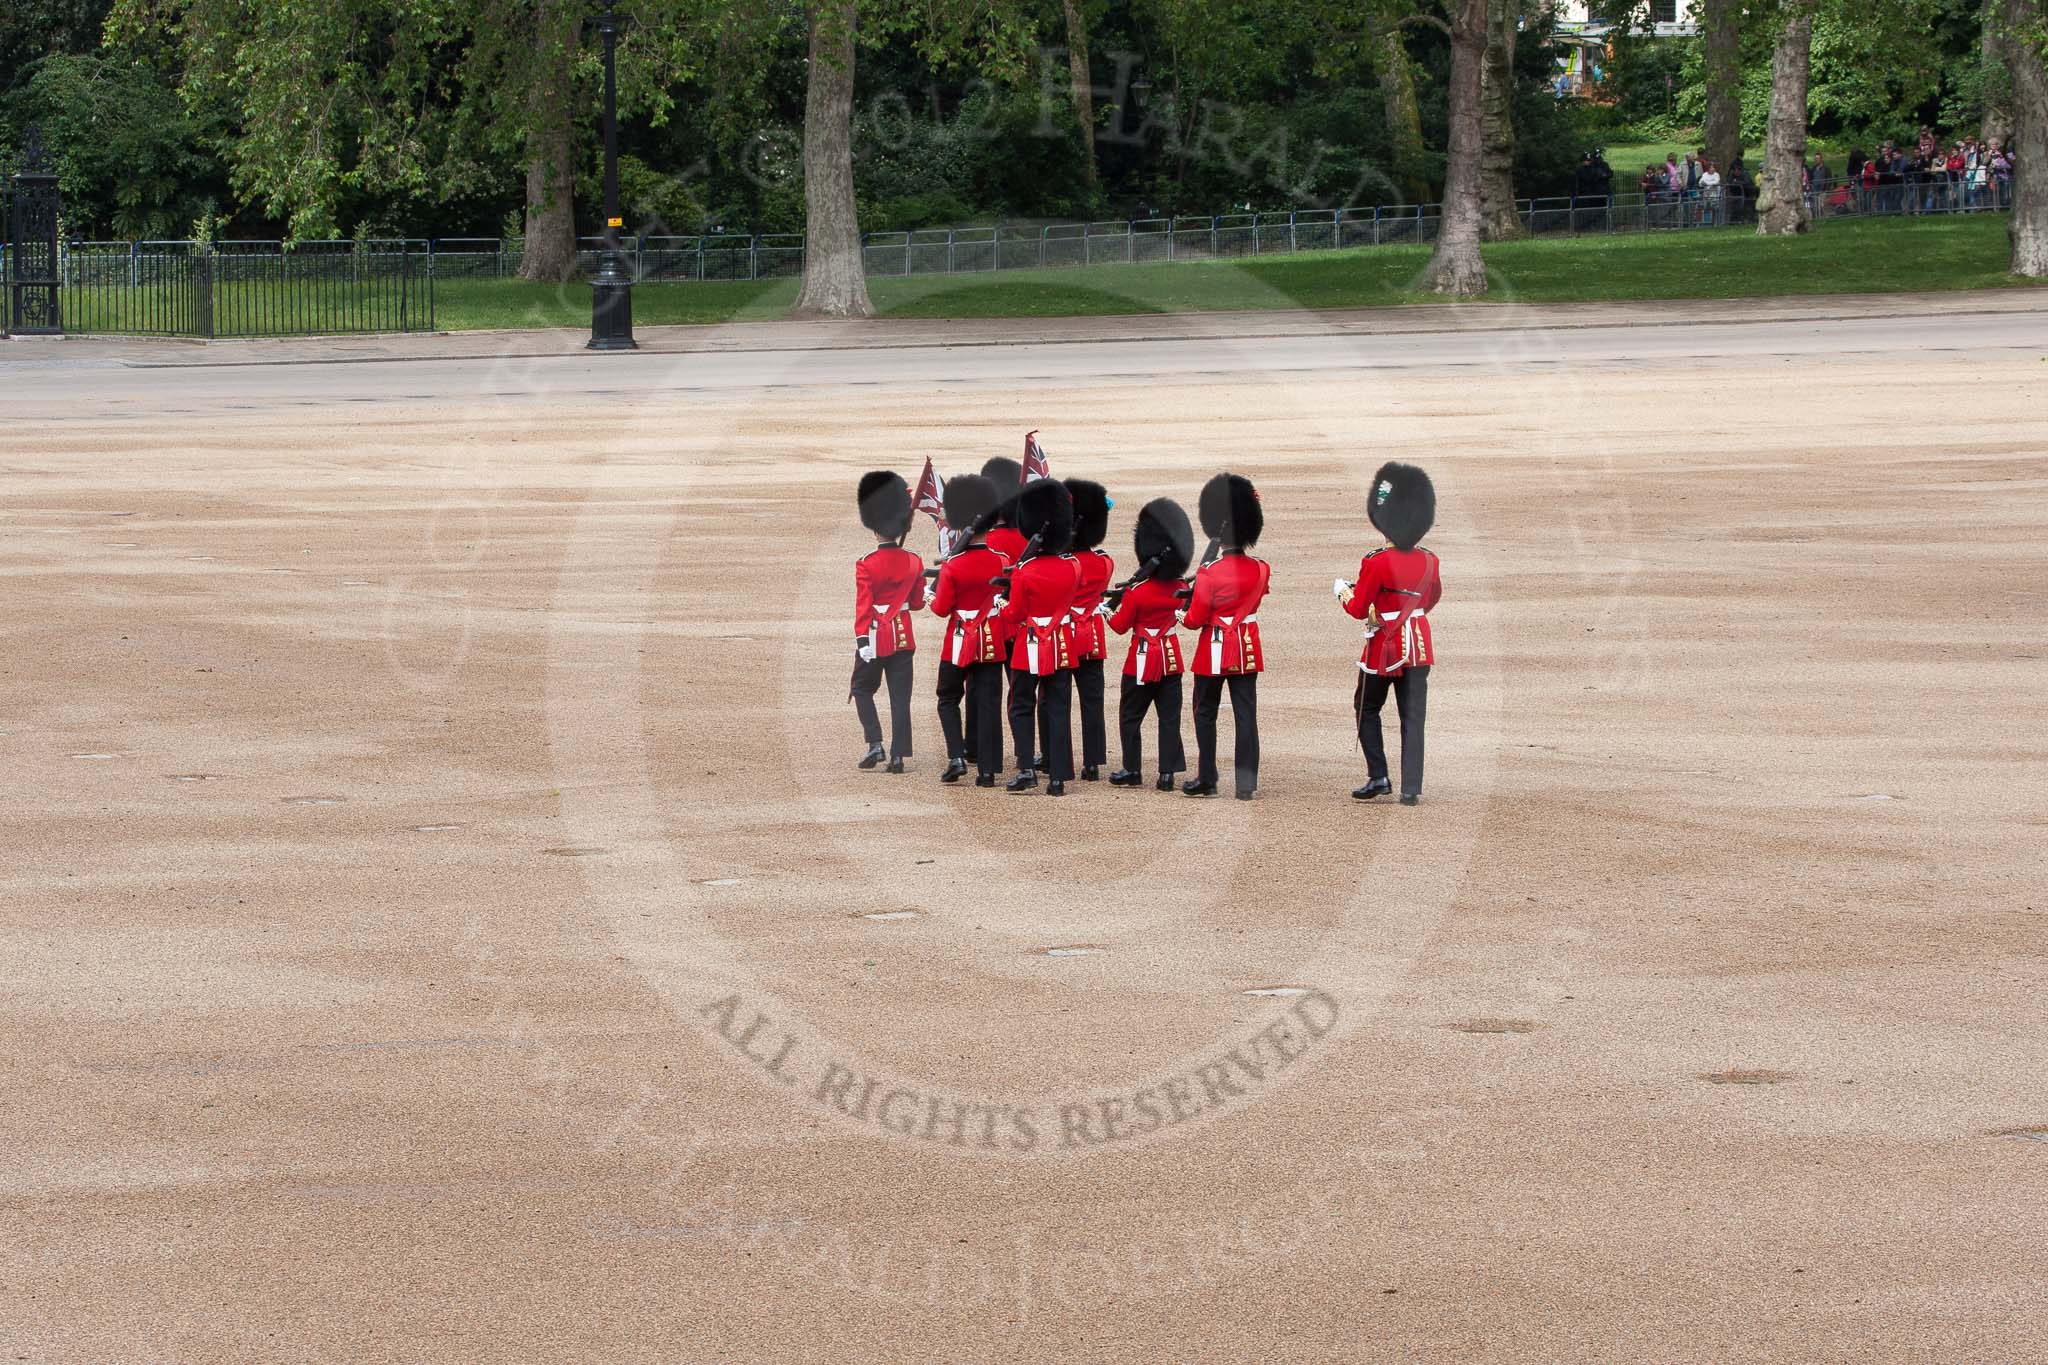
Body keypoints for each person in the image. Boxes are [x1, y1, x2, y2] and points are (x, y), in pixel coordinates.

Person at [1336, 462, 1442, 806]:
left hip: (1386, 645)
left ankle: (1378, 775)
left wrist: (1342, 592)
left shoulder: (1376, 561)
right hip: (1419, 644)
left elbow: (1357, 608)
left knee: (1366, 707)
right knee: (1412, 717)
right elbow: (1432, 598)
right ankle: (1411, 787)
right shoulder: (1430, 560)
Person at [1181, 473, 1270, 800]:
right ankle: (1246, 783)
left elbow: (1195, 619)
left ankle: (1207, 777)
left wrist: (1181, 612)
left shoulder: (1210, 572)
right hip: (1246, 647)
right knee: (1246, 714)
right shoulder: (1262, 569)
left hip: (1215, 648)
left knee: (1205, 711)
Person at [996, 479, 1079, 795]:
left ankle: (1027, 767)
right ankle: (1057, 777)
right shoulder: (1071, 568)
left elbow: (1014, 615)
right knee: (1057, 706)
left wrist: (1000, 602)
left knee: (1021, 705)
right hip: (1059, 643)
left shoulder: (1024, 571)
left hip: (1029, 644)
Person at [1106, 498, 1193, 791]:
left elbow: (1119, 627)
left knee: (1131, 716)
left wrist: (1107, 609)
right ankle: (1166, 774)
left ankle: (1132, 770)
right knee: (1169, 718)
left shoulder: (1137, 593)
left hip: (1140, 660)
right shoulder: (1181, 588)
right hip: (1170, 659)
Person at [929, 473, 1008, 787]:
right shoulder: (1002, 560)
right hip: (990, 638)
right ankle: (987, 771)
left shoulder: (954, 565)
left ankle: (956, 757)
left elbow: (941, 609)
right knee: (989, 702)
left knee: (948, 697)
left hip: (960, 639)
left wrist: (930, 595)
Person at [850, 471, 926, 774]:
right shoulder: (914, 561)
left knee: (861, 688)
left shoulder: (866, 564)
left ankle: (875, 743)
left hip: (875, 637)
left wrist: (862, 641)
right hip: (903, 636)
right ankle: (898, 756)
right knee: (900, 698)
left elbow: (864, 608)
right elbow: (918, 603)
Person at [1062, 478, 1115, 782]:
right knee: (1091, 700)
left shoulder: (1063, 563)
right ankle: (1093, 761)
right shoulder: (1104, 563)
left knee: (1058, 700)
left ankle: (1062, 756)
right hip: (1092, 634)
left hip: (1062, 636)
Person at [1698, 160, 1722, 225]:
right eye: (1711, 167)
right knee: (1706, 209)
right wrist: (1707, 184)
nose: (1713, 169)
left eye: (1713, 167)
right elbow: (1700, 183)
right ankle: (1706, 223)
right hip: (1706, 195)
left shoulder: (1716, 175)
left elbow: (1716, 182)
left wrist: (1707, 184)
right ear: (1708, 168)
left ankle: (1715, 223)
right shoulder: (1704, 175)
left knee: (1715, 209)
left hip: (1714, 195)